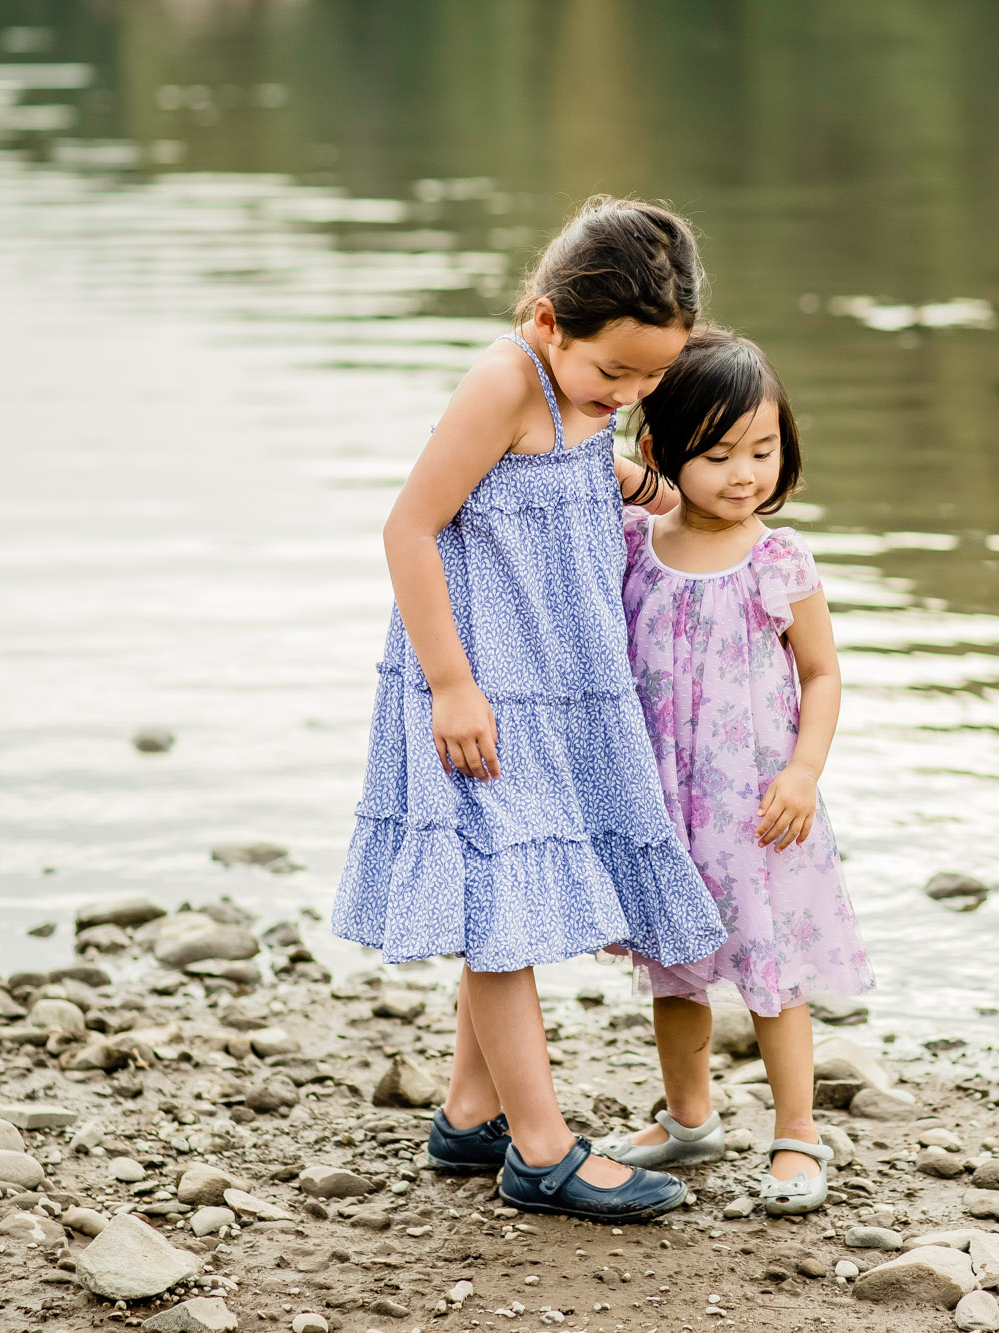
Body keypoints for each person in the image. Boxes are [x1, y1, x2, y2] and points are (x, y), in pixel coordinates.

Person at [332, 196, 727, 1224]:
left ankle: (472, 1112)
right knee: (499, 904)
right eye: (617, 374)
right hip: (479, 680)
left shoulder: (583, 402)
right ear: (549, 322)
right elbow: (410, 529)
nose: (632, 392)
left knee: (509, 879)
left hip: (556, 673)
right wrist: (453, 685)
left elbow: (572, 473)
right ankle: (540, 1152)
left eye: (653, 378)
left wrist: (641, 480)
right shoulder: (505, 381)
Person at [598, 328, 873, 1216]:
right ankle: (688, 1117)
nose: (745, 472)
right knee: (674, 969)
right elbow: (570, 461)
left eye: (763, 449)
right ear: (660, 451)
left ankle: (798, 1129)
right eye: (717, 454)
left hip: (757, 804)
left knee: (772, 968)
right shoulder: (638, 543)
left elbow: (823, 672)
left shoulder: (778, 558)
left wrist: (803, 771)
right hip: (664, 800)